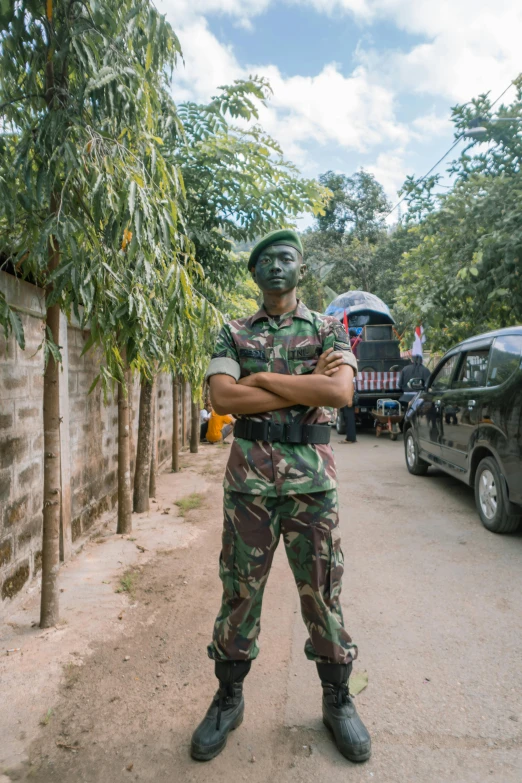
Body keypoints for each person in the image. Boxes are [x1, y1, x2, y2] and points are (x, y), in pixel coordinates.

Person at [190, 228, 371, 764]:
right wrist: (295, 381)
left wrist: (260, 382)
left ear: (301, 269)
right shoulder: (232, 331)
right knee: (239, 591)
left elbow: (338, 391)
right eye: (265, 260)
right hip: (248, 484)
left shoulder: (329, 328)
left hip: (311, 483)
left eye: (286, 258)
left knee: (321, 588)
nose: (275, 267)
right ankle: (228, 698)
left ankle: (338, 700)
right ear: (254, 273)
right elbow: (223, 398)